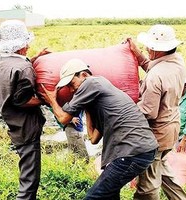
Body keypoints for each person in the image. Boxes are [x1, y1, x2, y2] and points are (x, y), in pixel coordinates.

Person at [40, 58, 159, 199]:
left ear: (83, 75)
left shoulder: (92, 82)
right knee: (110, 195)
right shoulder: (102, 100)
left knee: (93, 197)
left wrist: (52, 100)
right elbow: (93, 138)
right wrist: (86, 107)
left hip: (132, 151)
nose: (72, 90)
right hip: (142, 150)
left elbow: (63, 118)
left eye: (72, 84)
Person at [129, 24, 186, 200]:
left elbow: (148, 111)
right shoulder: (177, 62)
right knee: (163, 168)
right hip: (172, 129)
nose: (147, 49)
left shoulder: (155, 77)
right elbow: (156, 68)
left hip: (156, 135)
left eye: (149, 47)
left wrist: (124, 110)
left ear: (157, 49)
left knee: (148, 184)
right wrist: (139, 56)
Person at [0, 20, 46, 200]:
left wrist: (35, 58)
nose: (28, 46)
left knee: (26, 171)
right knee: (29, 182)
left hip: (13, 123)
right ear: (19, 45)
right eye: (25, 43)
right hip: (26, 128)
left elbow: (14, 75)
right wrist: (44, 99)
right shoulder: (23, 68)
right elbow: (22, 100)